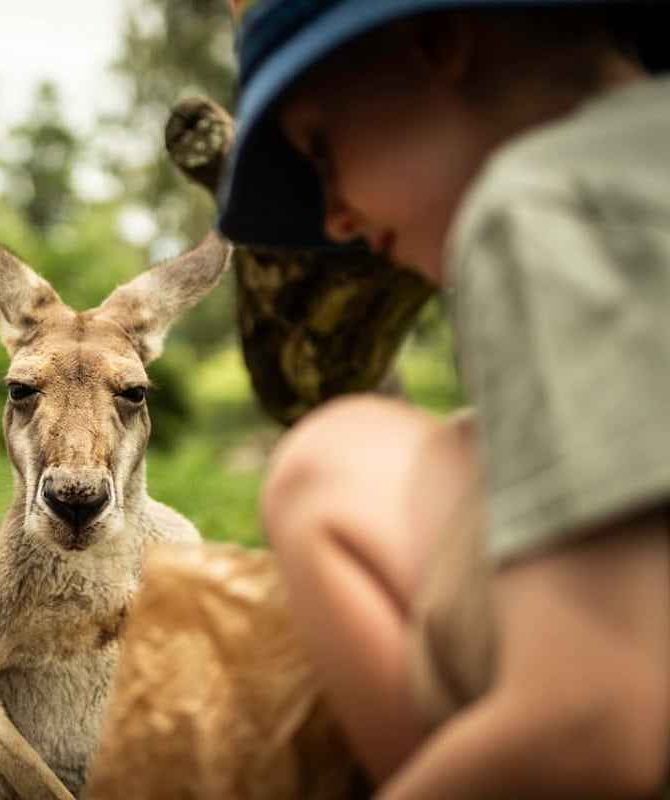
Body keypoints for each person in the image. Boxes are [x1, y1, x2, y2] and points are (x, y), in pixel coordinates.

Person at [216, 0, 670, 797]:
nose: (336, 216)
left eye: (322, 151)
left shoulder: (534, 201)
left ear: (436, 42)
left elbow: (595, 721)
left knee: (329, 463)